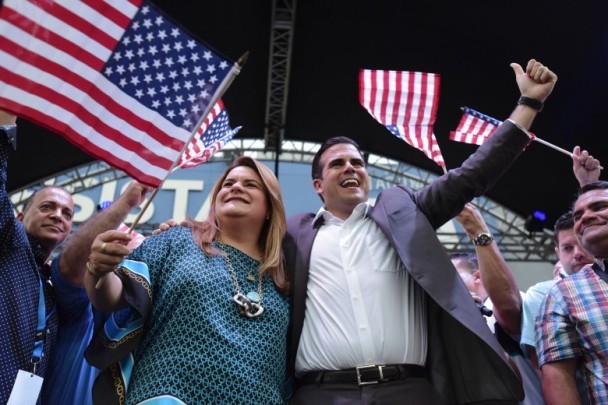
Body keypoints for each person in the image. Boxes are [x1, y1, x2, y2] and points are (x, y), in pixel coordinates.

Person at [283, 59, 557, 404]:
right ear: (318, 185)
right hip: (320, 393)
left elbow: (473, 173)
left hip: (410, 390)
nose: (351, 167)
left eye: (357, 162)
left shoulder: (403, 212)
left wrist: (529, 103)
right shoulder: (295, 234)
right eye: (338, 163)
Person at [84, 156, 291, 404]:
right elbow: (115, 295)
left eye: (251, 185)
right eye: (228, 184)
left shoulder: (283, 275)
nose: (236, 187)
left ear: (270, 207)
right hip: (168, 395)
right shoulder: (177, 240)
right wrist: (98, 269)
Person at [40, 182, 150, 405]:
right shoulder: (82, 310)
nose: (125, 265)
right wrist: (125, 204)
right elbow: (72, 266)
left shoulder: (157, 327)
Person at [0, 110, 75, 404]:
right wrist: (6, 123)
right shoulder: (9, 241)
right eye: (47, 207)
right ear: (19, 216)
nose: (57, 215)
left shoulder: (56, 285)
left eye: (67, 213)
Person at [450, 203, 544, 405]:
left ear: (477, 277)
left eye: (452, 276)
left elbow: (508, 306)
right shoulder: (455, 320)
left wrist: (478, 231)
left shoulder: (499, 306)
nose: (445, 283)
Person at [536, 181, 608, 405]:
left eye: (598, 207)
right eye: (578, 215)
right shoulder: (562, 296)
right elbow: (558, 377)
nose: (584, 217)